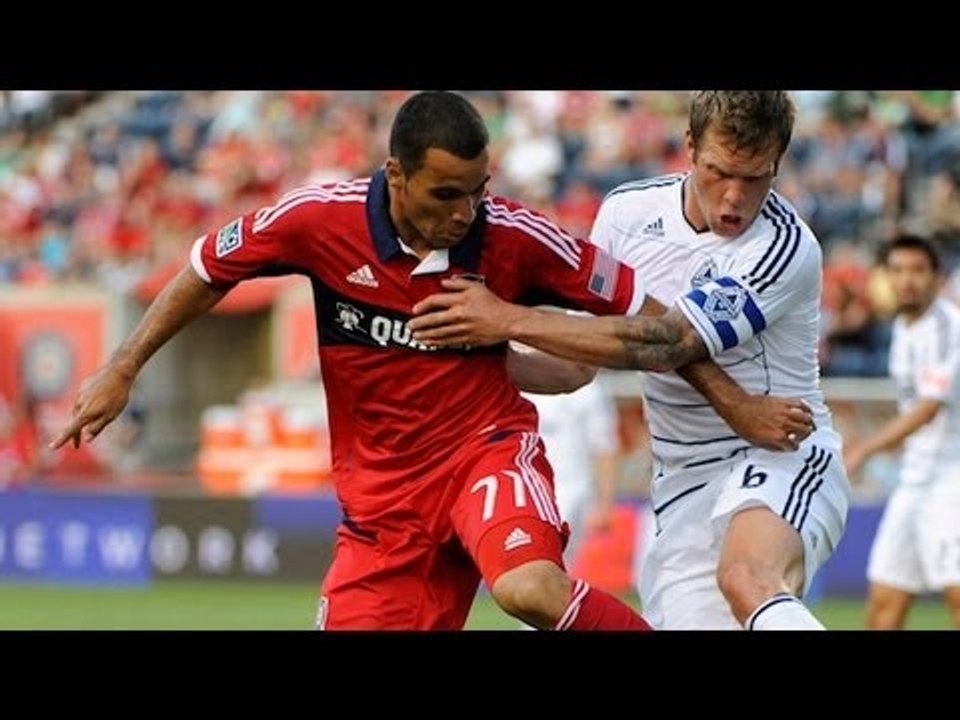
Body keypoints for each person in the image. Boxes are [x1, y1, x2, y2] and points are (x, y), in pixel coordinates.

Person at [52, 91, 809, 630]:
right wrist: (123, 367)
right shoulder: (318, 222)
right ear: (396, 175)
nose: (463, 213)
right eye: (445, 194)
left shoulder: (516, 237)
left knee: (530, 591)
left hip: (486, 454)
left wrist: (735, 404)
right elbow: (205, 267)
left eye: (476, 192)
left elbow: (656, 323)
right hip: (381, 504)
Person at [411, 91, 849, 630]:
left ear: (779, 163)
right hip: (682, 483)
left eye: (756, 178)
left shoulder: (783, 247)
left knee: (748, 578)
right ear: (689, 146)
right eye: (719, 171)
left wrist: (505, 319)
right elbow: (576, 367)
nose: (735, 196)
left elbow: (667, 343)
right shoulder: (626, 214)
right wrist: (473, 357)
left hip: (778, 455)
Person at [844, 235, 960, 629]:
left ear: (935, 277)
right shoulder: (903, 327)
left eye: (918, 270)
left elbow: (928, 408)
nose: (907, 280)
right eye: (898, 270)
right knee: (883, 606)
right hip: (915, 482)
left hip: (952, 480)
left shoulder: (947, 326)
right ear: (885, 277)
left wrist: (866, 448)